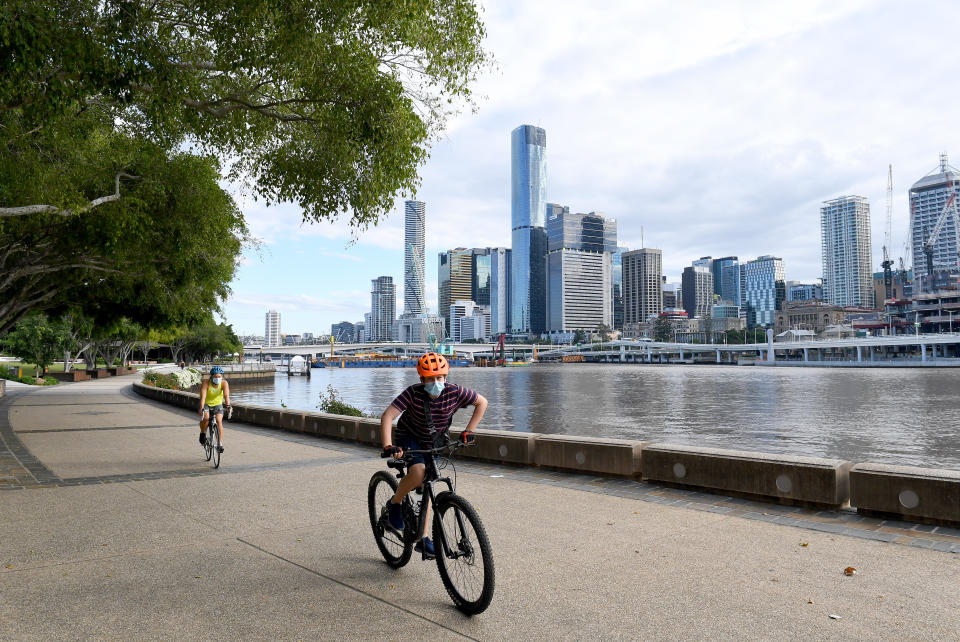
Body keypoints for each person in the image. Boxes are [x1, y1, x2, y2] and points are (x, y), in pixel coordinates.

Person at [380, 352, 487, 559]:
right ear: (422, 380)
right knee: (419, 473)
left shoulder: (455, 392)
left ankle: (424, 538)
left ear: (446, 378)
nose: (436, 382)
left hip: (434, 441)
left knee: (429, 483)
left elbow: (482, 402)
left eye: (440, 378)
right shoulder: (412, 393)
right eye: (430, 378)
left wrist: (469, 430)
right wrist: (388, 445)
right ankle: (395, 502)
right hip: (409, 438)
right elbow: (388, 416)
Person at [199, 365, 230, 453]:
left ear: (222, 377)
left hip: (217, 404)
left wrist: (228, 406)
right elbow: (203, 397)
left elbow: (226, 396)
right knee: (206, 418)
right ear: (211, 376)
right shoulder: (206, 383)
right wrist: (201, 408)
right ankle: (203, 433)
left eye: (219, 377)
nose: (217, 378)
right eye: (215, 377)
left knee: (219, 421)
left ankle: (219, 443)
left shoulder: (224, 383)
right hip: (206, 404)